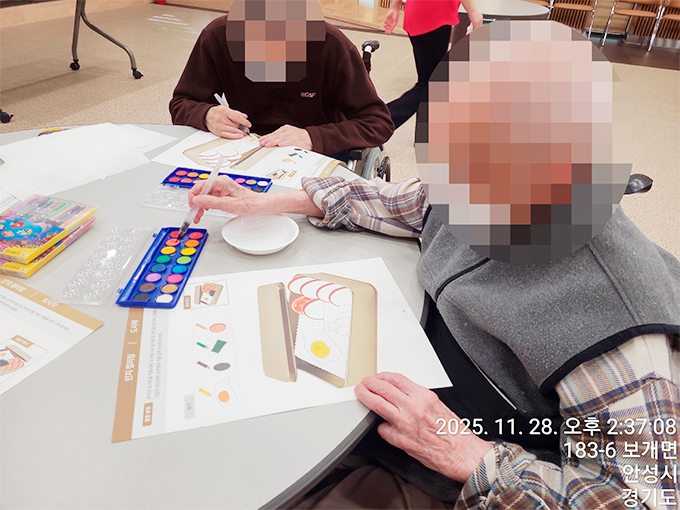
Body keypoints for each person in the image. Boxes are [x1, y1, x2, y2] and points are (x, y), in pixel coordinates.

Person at [187, 21, 680, 509]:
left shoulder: (618, 329)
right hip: (410, 385)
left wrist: (467, 455)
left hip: (461, 467)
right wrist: (269, 199)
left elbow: (642, 499)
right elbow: (396, 202)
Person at [169, 0, 394, 157]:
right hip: (244, 147)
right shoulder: (218, 36)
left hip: (315, 152)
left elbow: (378, 123)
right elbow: (181, 103)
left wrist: (312, 137)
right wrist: (207, 115)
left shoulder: (333, 45)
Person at [383, 0, 483, 130]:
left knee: (428, 82)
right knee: (429, 87)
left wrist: (395, 7)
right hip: (435, 17)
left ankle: (423, 131)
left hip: (418, 14)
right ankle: (377, 122)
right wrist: (473, 11)